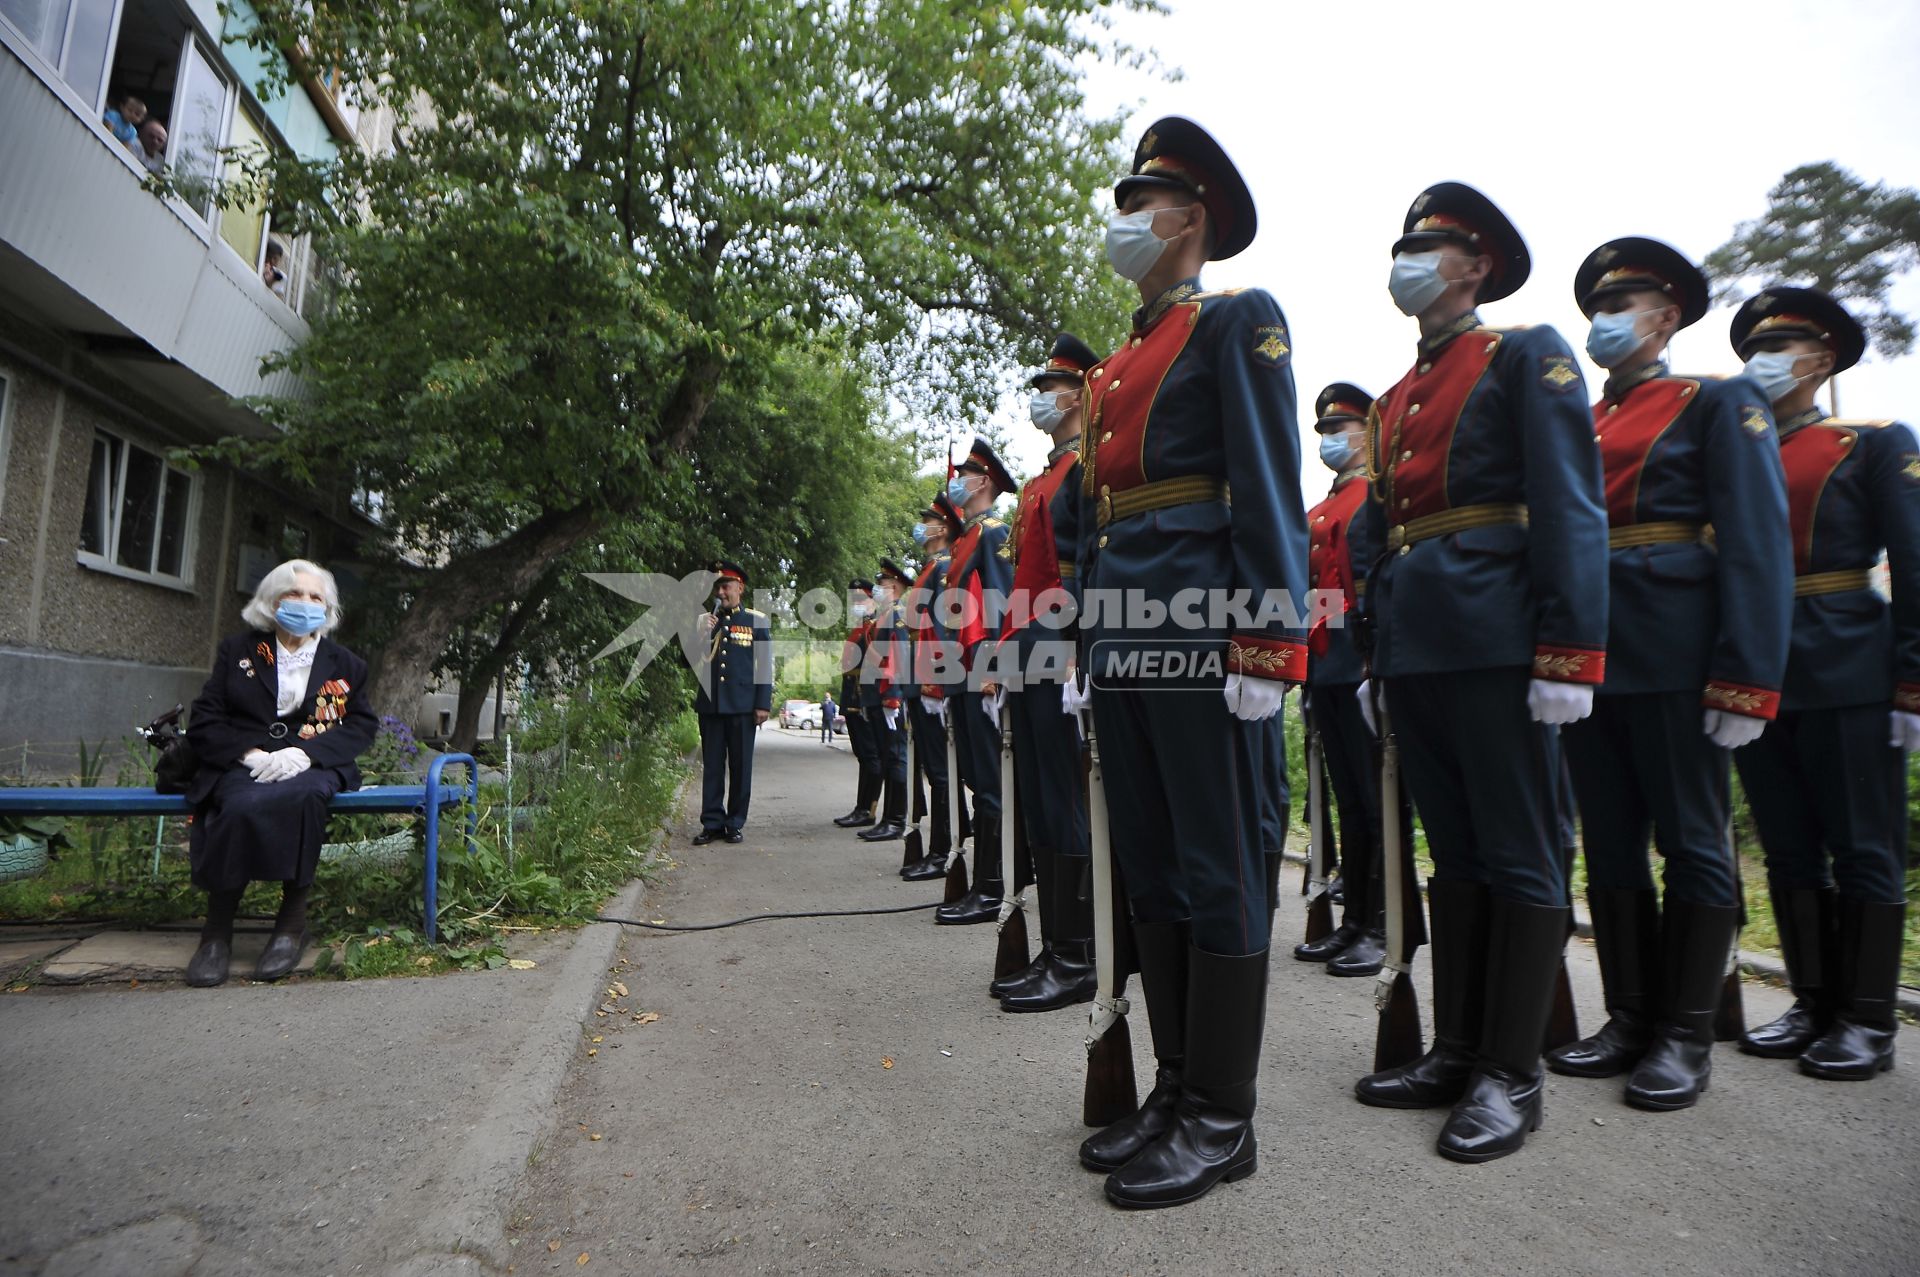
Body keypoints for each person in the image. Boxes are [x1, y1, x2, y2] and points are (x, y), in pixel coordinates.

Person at [1063, 118, 1309, 1210]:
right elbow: (1102, 523)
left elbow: (1266, 486)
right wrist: (1085, 641)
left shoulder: (1234, 323)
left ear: (1191, 219)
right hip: (1127, 639)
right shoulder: (1118, 363)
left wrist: (1266, 638)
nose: (1122, 222)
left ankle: (1224, 1114)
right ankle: (1174, 1086)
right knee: (1155, 870)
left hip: (1205, 639)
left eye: (1139, 204)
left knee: (1220, 867)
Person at [1351, 182, 1609, 1164]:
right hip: (1421, 645)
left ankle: (1512, 1071)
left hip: (1502, 641)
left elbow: (1571, 505)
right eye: (1403, 244)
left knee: (1521, 852)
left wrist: (1569, 651)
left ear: (1477, 266)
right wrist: (1378, 653)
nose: (1408, 259)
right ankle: (1456, 1048)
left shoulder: (1523, 354)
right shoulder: (1396, 398)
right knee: (1453, 856)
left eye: (1430, 245)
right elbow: (1382, 536)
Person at [1549, 239, 1793, 1111]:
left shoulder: (1717, 401)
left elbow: (1759, 545)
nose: (1605, 322)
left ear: (1668, 316)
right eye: (1597, 308)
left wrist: (1747, 676)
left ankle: (1685, 1032)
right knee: (1609, 841)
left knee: (1692, 840)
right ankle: (1629, 1014)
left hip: (1679, 655)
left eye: (1627, 304)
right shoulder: (1578, 418)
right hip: (1593, 657)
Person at [1727, 287, 1916, 1081]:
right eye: (1755, 349)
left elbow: (1913, 561)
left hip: (1847, 663)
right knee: (1790, 845)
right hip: (1758, 671)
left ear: (1822, 358)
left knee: (1862, 843)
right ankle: (1811, 1001)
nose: (1763, 363)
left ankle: (1868, 1018)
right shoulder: (1737, 448)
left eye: (1783, 346)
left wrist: (1912, 679)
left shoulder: (1867, 443)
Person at [182, 559, 377, 987]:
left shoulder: (346, 664)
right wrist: (248, 754)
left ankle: (291, 926)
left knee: (306, 798)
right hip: (246, 761)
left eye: (315, 596)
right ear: (272, 602)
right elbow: (206, 718)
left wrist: (307, 755)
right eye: (294, 593)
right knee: (235, 803)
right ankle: (216, 933)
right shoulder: (239, 651)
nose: (305, 603)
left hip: (313, 762)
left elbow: (361, 725)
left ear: (327, 608)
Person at [990, 333, 1099, 1013]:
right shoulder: (1042, 481)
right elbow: (1024, 584)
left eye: (1053, 386)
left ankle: (1077, 952)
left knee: (1064, 803)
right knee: (1038, 802)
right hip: (1028, 651)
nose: (1041, 398)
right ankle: (1056, 943)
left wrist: (1079, 650)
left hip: (1058, 650)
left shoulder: (1088, 470)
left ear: (1083, 393)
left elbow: (1087, 569)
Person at [1296, 382, 1406, 977]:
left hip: (1360, 663)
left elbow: (1375, 586)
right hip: (1325, 665)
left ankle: (1385, 923)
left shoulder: (1373, 498)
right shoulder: (1321, 508)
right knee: (1348, 801)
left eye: (1342, 430)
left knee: (1375, 800)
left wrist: (1375, 662)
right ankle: (1356, 920)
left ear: (1370, 434)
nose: (1332, 441)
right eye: (1325, 433)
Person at [932, 437, 1015, 926]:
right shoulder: (967, 537)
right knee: (973, 778)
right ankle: (983, 881)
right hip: (960, 671)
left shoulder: (994, 532)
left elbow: (1002, 602)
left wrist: (990, 667)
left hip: (979, 671)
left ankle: (993, 886)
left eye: (963, 475)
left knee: (989, 783)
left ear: (983, 482)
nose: (956, 482)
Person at [901, 494, 966, 881]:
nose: (922, 526)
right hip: (919, 677)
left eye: (928, 521)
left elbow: (941, 628)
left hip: (931, 679)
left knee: (942, 772)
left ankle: (944, 850)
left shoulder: (942, 568)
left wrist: (936, 679)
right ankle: (940, 846)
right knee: (934, 769)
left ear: (942, 528)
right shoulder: (931, 568)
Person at [690, 559, 772, 845]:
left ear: (740, 587)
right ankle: (711, 822)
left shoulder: (756, 621)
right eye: (717, 588)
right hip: (711, 705)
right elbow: (686, 661)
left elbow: (764, 666)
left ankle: (734, 822)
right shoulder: (704, 621)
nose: (721, 593)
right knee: (712, 766)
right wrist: (700, 634)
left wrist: (762, 704)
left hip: (742, 706)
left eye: (726, 586)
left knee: (740, 767)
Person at [855, 560, 914, 843]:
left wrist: (893, 696)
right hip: (878, 695)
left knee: (895, 758)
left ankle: (896, 819)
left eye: (881, 584)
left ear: (894, 586)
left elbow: (899, 657)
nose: (877, 589)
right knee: (887, 756)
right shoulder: (885, 615)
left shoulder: (898, 614)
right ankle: (888, 818)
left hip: (889, 696)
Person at [832, 580, 883, 828]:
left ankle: (868, 809)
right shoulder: (859, 628)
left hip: (864, 697)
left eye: (861, 599)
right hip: (852, 697)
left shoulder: (874, 627)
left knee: (871, 756)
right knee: (863, 756)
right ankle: (860, 807)